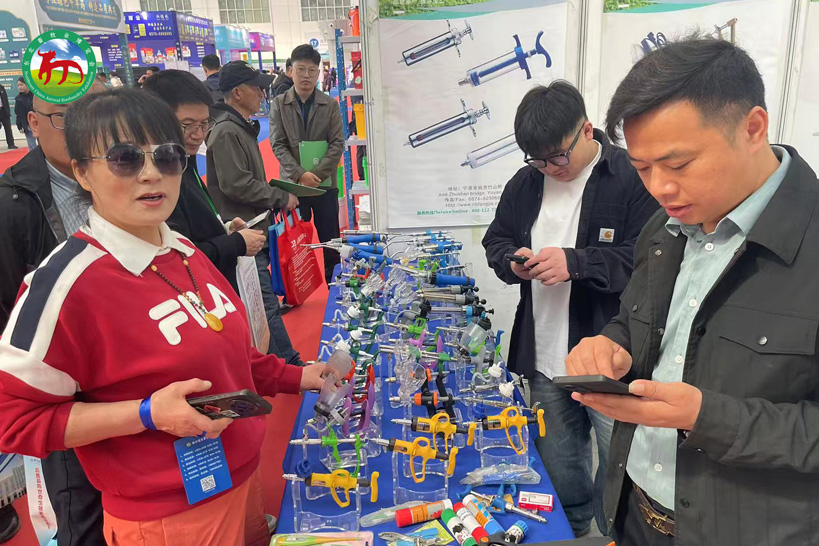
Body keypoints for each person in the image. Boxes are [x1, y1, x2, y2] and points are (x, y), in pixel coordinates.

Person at [0, 87, 327, 546]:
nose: (151, 173)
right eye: (124, 158)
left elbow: (230, 353)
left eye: (168, 156)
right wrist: (146, 414)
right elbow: (14, 420)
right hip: (169, 519)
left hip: (241, 480)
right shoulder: (66, 284)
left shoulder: (183, 249)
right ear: (82, 172)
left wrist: (299, 377)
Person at [565, 37, 819, 546]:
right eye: (642, 168)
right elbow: (636, 319)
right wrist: (612, 345)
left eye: (678, 165)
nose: (659, 188)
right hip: (635, 513)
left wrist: (707, 418)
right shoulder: (664, 229)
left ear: (753, 128)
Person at [482, 81, 659, 537]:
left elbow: (647, 260)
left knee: (621, 466)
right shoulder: (526, 183)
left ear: (587, 130)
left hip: (608, 359)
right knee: (560, 465)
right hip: (543, 356)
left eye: (557, 157)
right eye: (538, 160)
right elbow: (496, 239)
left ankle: (616, 535)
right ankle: (572, 531)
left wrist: (576, 263)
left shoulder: (631, 177)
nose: (549, 169)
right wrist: (511, 262)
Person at [0, 81, 107, 546]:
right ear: (33, 122)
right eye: (66, 117)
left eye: (94, 111)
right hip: (64, 395)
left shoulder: (124, 175)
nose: (84, 128)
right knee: (81, 514)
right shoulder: (12, 202)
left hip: (131, 380)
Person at [206, 60, 302, 365]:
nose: (262, 94)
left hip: (252, 230)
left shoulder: (238, 127)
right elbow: (236, 184)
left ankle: (275, 365)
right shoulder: (227, 131)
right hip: (242, 233)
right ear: (237, 92)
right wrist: (279, 196)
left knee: (260, 302)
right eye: (256, 88)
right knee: (262, 303)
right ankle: (288, 366)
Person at [143, 70, 267, 291]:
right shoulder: (156, 181)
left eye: (204, 124)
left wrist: (223, 229)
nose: (199, 135)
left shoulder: (184, 162)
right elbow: (175, 255)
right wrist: (235, 243)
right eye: (188, 125)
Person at [270, 44, 344, 284]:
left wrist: (316, 174)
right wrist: (300, 175)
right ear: (290, 71)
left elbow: (337, 143)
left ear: (318, 74)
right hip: (293, 187)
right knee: (293, 242)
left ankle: (335, 285)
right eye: (301, 69)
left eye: (312, 71)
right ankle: (295, 289)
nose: (306, 76)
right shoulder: (279, 104)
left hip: (324, 186)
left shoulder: (330, 105)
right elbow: (277, 144)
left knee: (331, 241)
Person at [14, 78, 35, 150]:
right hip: (27, 125)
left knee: (43, 145)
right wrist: (19, 126)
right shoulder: (18, 99)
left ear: (27, 85)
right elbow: (18, 114)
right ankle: (33, 157)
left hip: (38, 124)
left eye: (21, 85)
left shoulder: (35, 96)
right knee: (31, 147)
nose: (20, 87)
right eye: (18, 85)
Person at [0, 83, 16, 150]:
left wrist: (8, 111)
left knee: (8, 129)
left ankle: (11, 144)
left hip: (3, 110)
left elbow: (6, 100)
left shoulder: (1, 87)